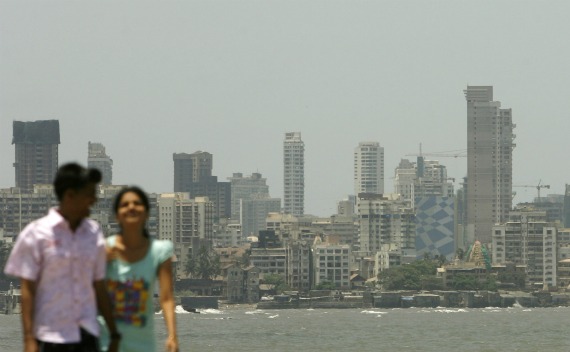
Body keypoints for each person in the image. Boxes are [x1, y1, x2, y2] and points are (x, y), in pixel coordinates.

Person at [3, 163, 120, 352]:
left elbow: (99, 286)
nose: (94, 200)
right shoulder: (36, 234)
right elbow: (27, 290)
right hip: (51, 336)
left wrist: (114, 333)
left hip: (88, 335)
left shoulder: (94, 233)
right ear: (70, 195)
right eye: (89, 194)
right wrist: (28, 338)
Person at [100, 186, 178, 352]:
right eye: (124, 204)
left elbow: (166, 297)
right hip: (106, 341)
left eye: (137, 203)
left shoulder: (160, 251)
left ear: (147, 213)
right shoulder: (104, 249)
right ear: (116, 215)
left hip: (142, 344)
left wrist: (172, 335)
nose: (131, 207)